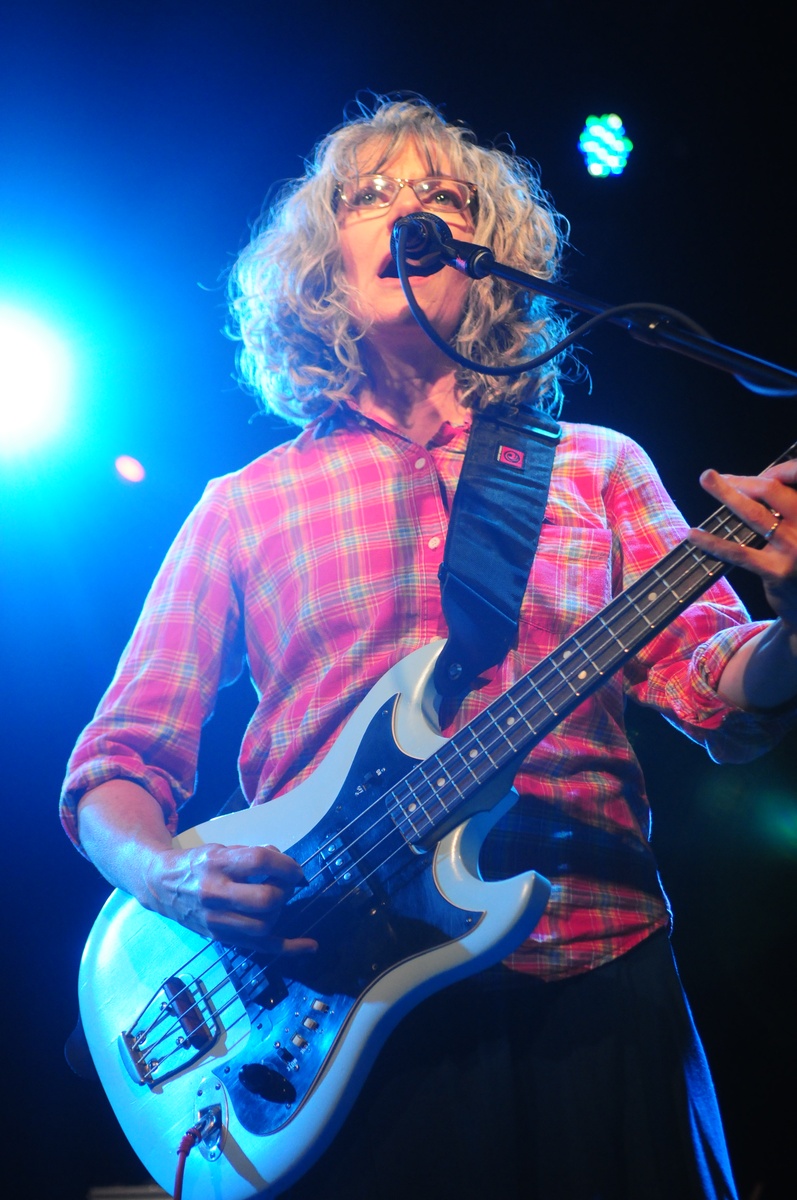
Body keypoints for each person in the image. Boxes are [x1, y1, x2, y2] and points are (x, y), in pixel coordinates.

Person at [61, 95, 797, 1200]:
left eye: (443, 197)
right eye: (373, 195)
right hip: (334, 1018)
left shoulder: (596, 465)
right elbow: (114, 767)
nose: (414, 210)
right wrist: (172, 875)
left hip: (593, 972)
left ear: (488, 260)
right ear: (320, 261)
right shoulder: (241, 506)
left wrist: (790, 628)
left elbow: (717, 688)